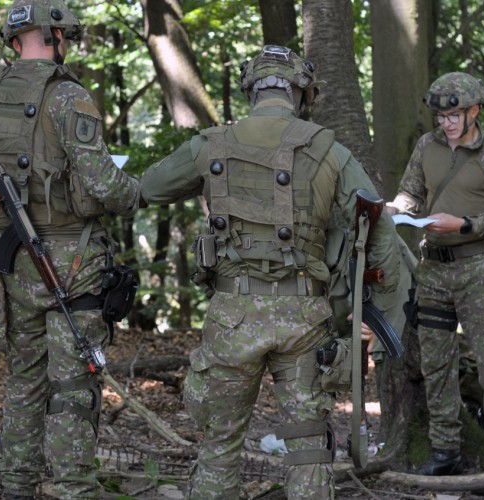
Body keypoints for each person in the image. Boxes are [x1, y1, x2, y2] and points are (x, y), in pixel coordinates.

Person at [141, 45, 401, 499]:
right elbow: (377, 226)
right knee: (307, 446)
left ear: (250, 91)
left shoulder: (211, 145)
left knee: (219, 445)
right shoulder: (330, 151)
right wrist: (382, 319)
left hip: (232, 317)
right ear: (300, 92)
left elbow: (150, 187)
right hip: (304, 316)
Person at [0, 1, 140, 498]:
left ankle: (17, 484)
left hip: (16, 263)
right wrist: (138, 192)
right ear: (55, 37)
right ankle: (72, 488)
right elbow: (104, 184)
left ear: (15, 41)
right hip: (73, 262)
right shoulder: (68, 98)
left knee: (24, 379)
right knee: (72, 387)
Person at [387, 72, 484, 492]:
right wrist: (396, 208)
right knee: (435, 363)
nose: (446, 123)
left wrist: (464, 224)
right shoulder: (426, 146)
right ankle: (444, 452)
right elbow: (410, 193)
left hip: (479, 270)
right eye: (441, 115)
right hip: (433, 270)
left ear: (475, 111)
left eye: (454, 115)